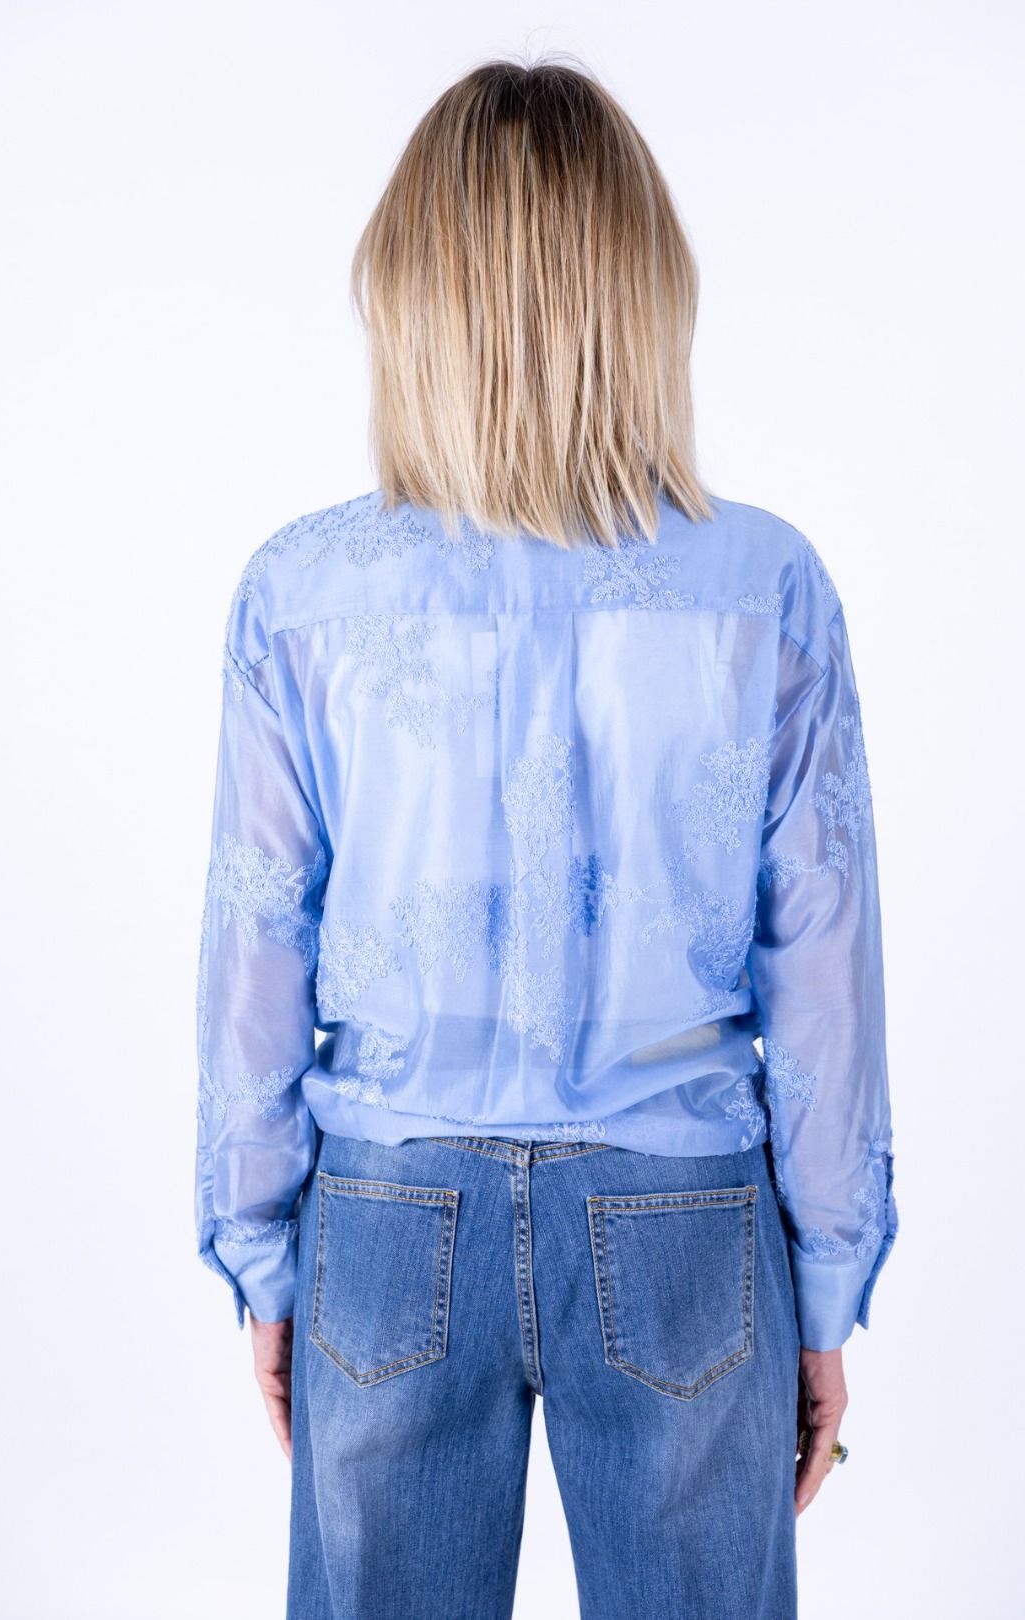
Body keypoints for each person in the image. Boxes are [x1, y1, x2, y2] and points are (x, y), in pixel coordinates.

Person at [193, 55, 898, 1620]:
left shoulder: (300, 596)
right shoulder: (766, 588)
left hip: (387, 1211)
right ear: (644, 291)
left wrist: (263, 1256)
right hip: (687, 1215)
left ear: (410, 295)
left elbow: (257, 945)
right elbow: (823, 972)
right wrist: (827, 1288)